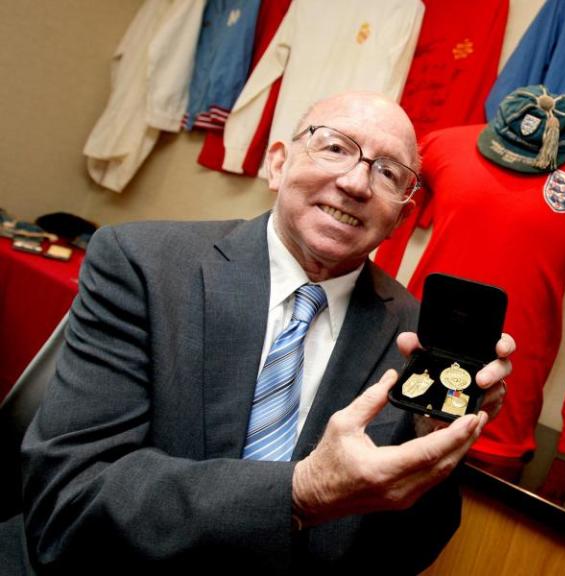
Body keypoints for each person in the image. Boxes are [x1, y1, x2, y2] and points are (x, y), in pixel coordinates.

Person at [20, 92, 513, 573]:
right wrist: (300, 492)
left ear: (401, 217)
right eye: (336, 147)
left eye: (388, 173)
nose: (357, 183)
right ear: (278, 164)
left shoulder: (413, 339)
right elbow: (70, 501)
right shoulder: (142, 265)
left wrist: (440, 450)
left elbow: (405, 552)